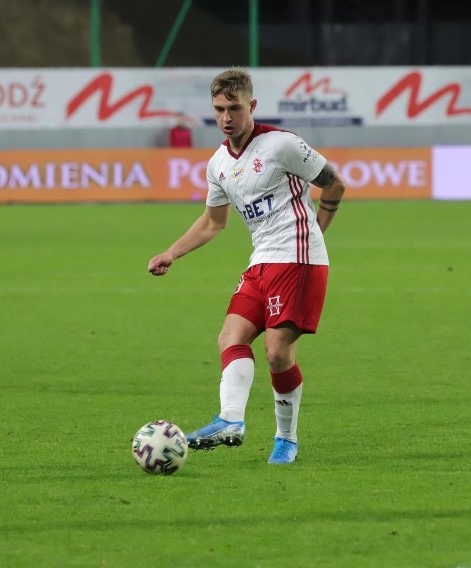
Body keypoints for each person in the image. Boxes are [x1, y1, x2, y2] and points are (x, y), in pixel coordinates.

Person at [147, 68, 346, 464]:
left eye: (234, 108)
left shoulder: (281, 145)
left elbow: (335, 183)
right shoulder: (218, 163)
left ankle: (286, 439)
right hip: (261, 260)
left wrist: (317, 233)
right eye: (219, 109)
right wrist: (172, 252)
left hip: (297, 259)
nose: (226, 117)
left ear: (251, 106)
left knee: (276, 353)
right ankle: (230, 420)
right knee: (230, 337)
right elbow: (212, 222)